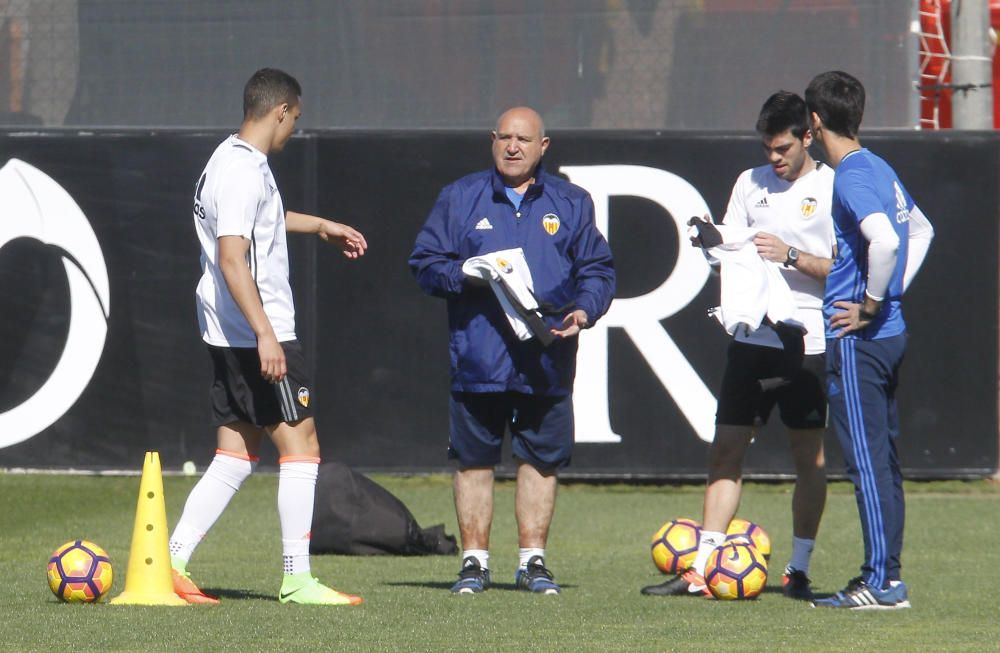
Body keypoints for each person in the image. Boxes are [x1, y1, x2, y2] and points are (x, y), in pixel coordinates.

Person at [167, 68, 368, 606]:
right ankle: (296, 578)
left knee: (235, 453)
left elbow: (266, 220)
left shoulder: (229, 159)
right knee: (303, 448)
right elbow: (233, 259)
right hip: (256, 332)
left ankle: (170, 561)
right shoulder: (242, 171)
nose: (294, 131)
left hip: (229, 331)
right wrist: (266, 335)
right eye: (295, 120)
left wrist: (322, 225)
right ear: (280, 110)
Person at [409, 106, 615, 595]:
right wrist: (464, 274)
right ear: (492, 140)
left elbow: (599, 271)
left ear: (544, 146)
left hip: (546, 358)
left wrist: (585, 310)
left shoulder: (571, 202)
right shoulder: (460, 197)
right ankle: (474, 563)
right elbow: (424, 262)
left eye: (524, 139)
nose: (513, 147)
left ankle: (532, 561)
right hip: (479, 357)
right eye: (504, 137)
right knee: (475, 461)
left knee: (541, 460)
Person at [641, 91, 835, 601]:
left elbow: (845, 269)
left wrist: (791, 254)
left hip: (808, 339)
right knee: (726, 448)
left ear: (807, 136)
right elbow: (728, 252)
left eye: (783, 148)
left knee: (808, 457)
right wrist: (710, 243)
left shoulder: (834, 188)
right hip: (754, 338)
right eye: (768, 148)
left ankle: (798, 570)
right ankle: (701, 569)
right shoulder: (749, 184)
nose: (774, 158)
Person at [804, 71, 934, 609]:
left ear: (814, 122)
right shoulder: (878, 165)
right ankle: (887, 577)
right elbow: (922, 230)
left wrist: (874, 302)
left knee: (866, 461)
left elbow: (884, 238)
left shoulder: (851, 175)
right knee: (882, 460)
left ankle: (881, 582)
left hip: (860, 340)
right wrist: (893, 295)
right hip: (890, 335)